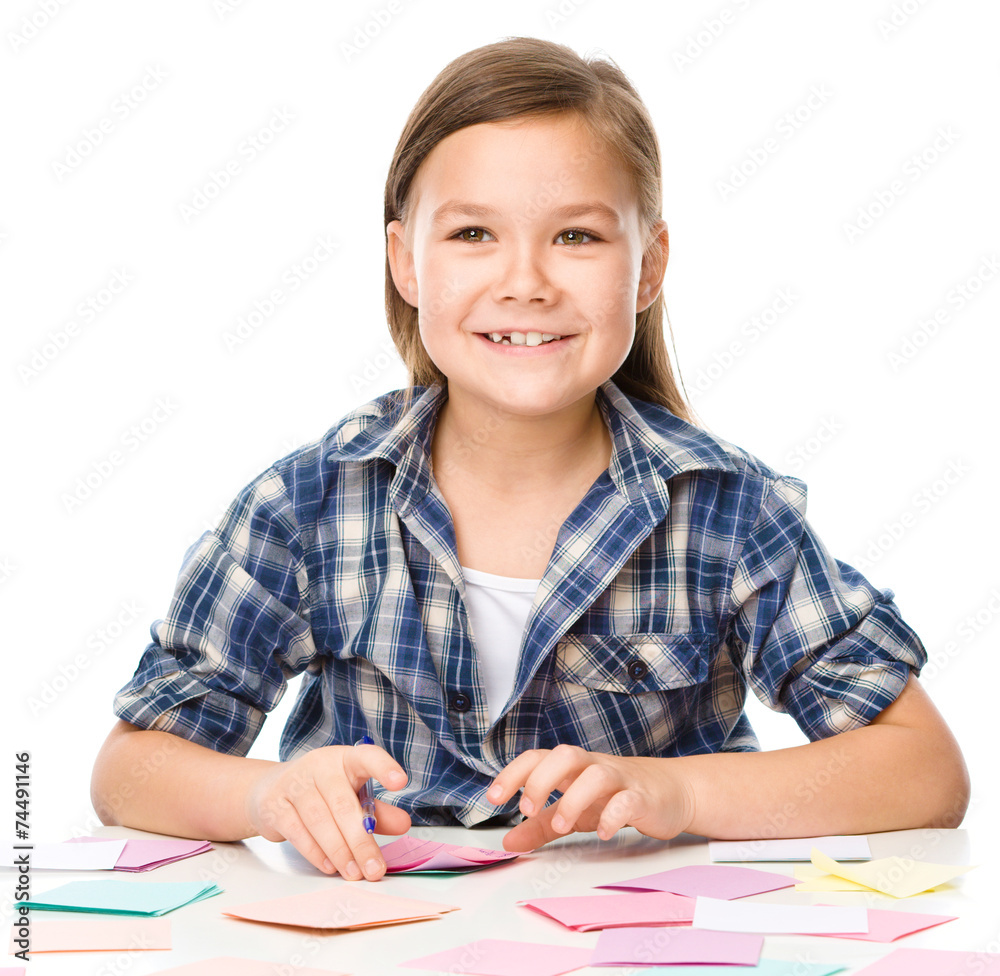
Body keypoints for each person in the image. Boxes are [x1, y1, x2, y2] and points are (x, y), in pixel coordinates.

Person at [91, 36, 969, 883]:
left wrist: (679, 788)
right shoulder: (309, 504)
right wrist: (266, 795)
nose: (526, 282)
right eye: (473, 233)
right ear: (405, 260)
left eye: (577, 238)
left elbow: (924, 772)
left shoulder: (726, 511)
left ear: (649, 265)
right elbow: (128, 772)